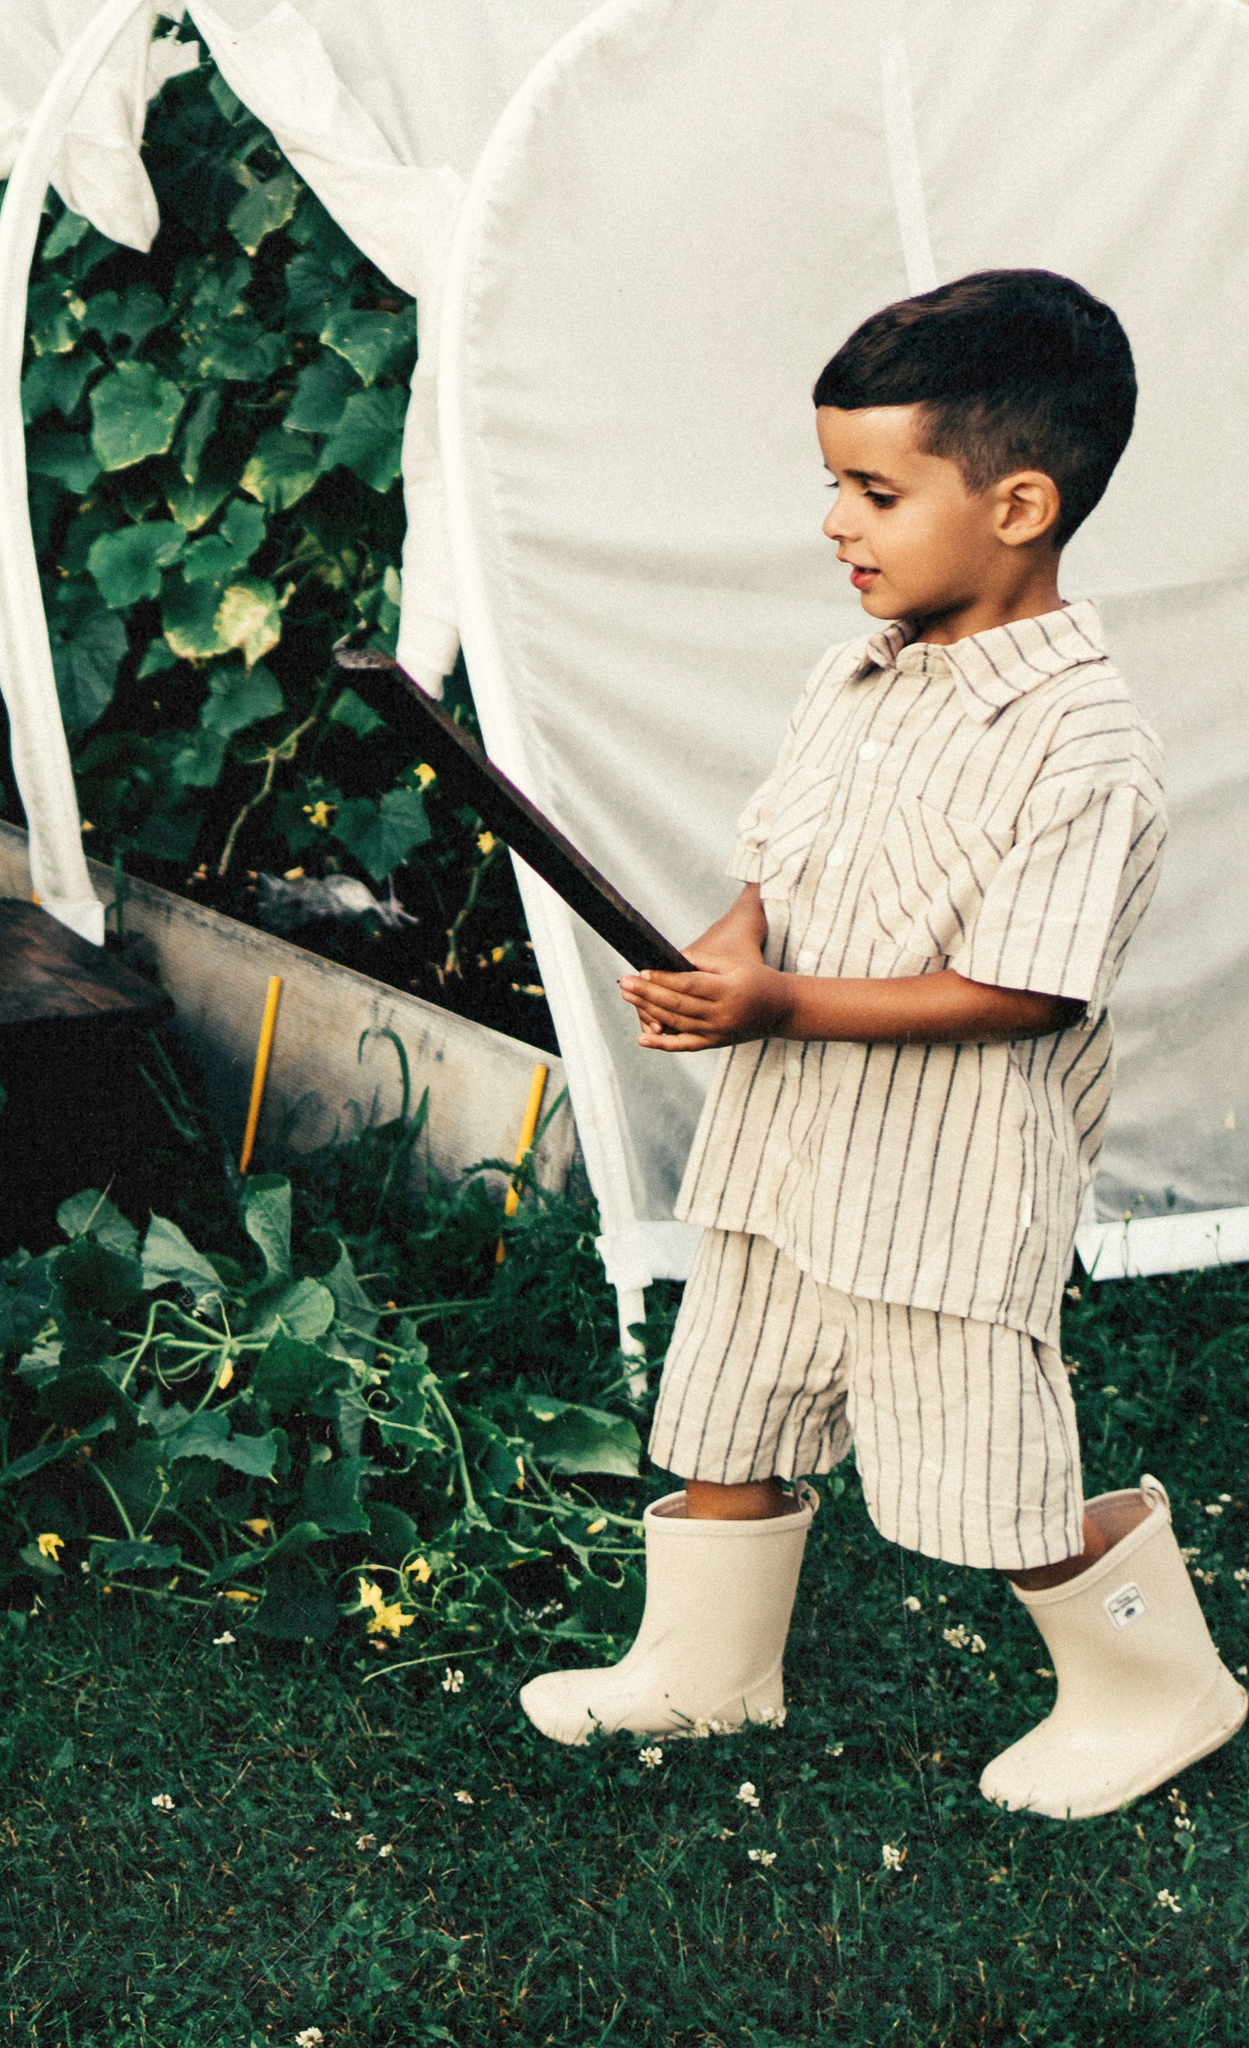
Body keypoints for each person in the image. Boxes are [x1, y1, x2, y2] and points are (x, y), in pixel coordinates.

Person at [518, 270, 1245, 1819]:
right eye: (832, 484)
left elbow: (1026, 992)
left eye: (874, 491)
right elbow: (775, 877)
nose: (833, 524)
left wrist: (778, 1008)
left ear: (1019, 504)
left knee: (988, 1457)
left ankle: (1156, 1686)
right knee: (736, 1396)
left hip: (944, 1186)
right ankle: (705, 1669)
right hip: (788, 1147)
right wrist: (726, 957)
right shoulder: (853, 675)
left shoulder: (1085, 745)